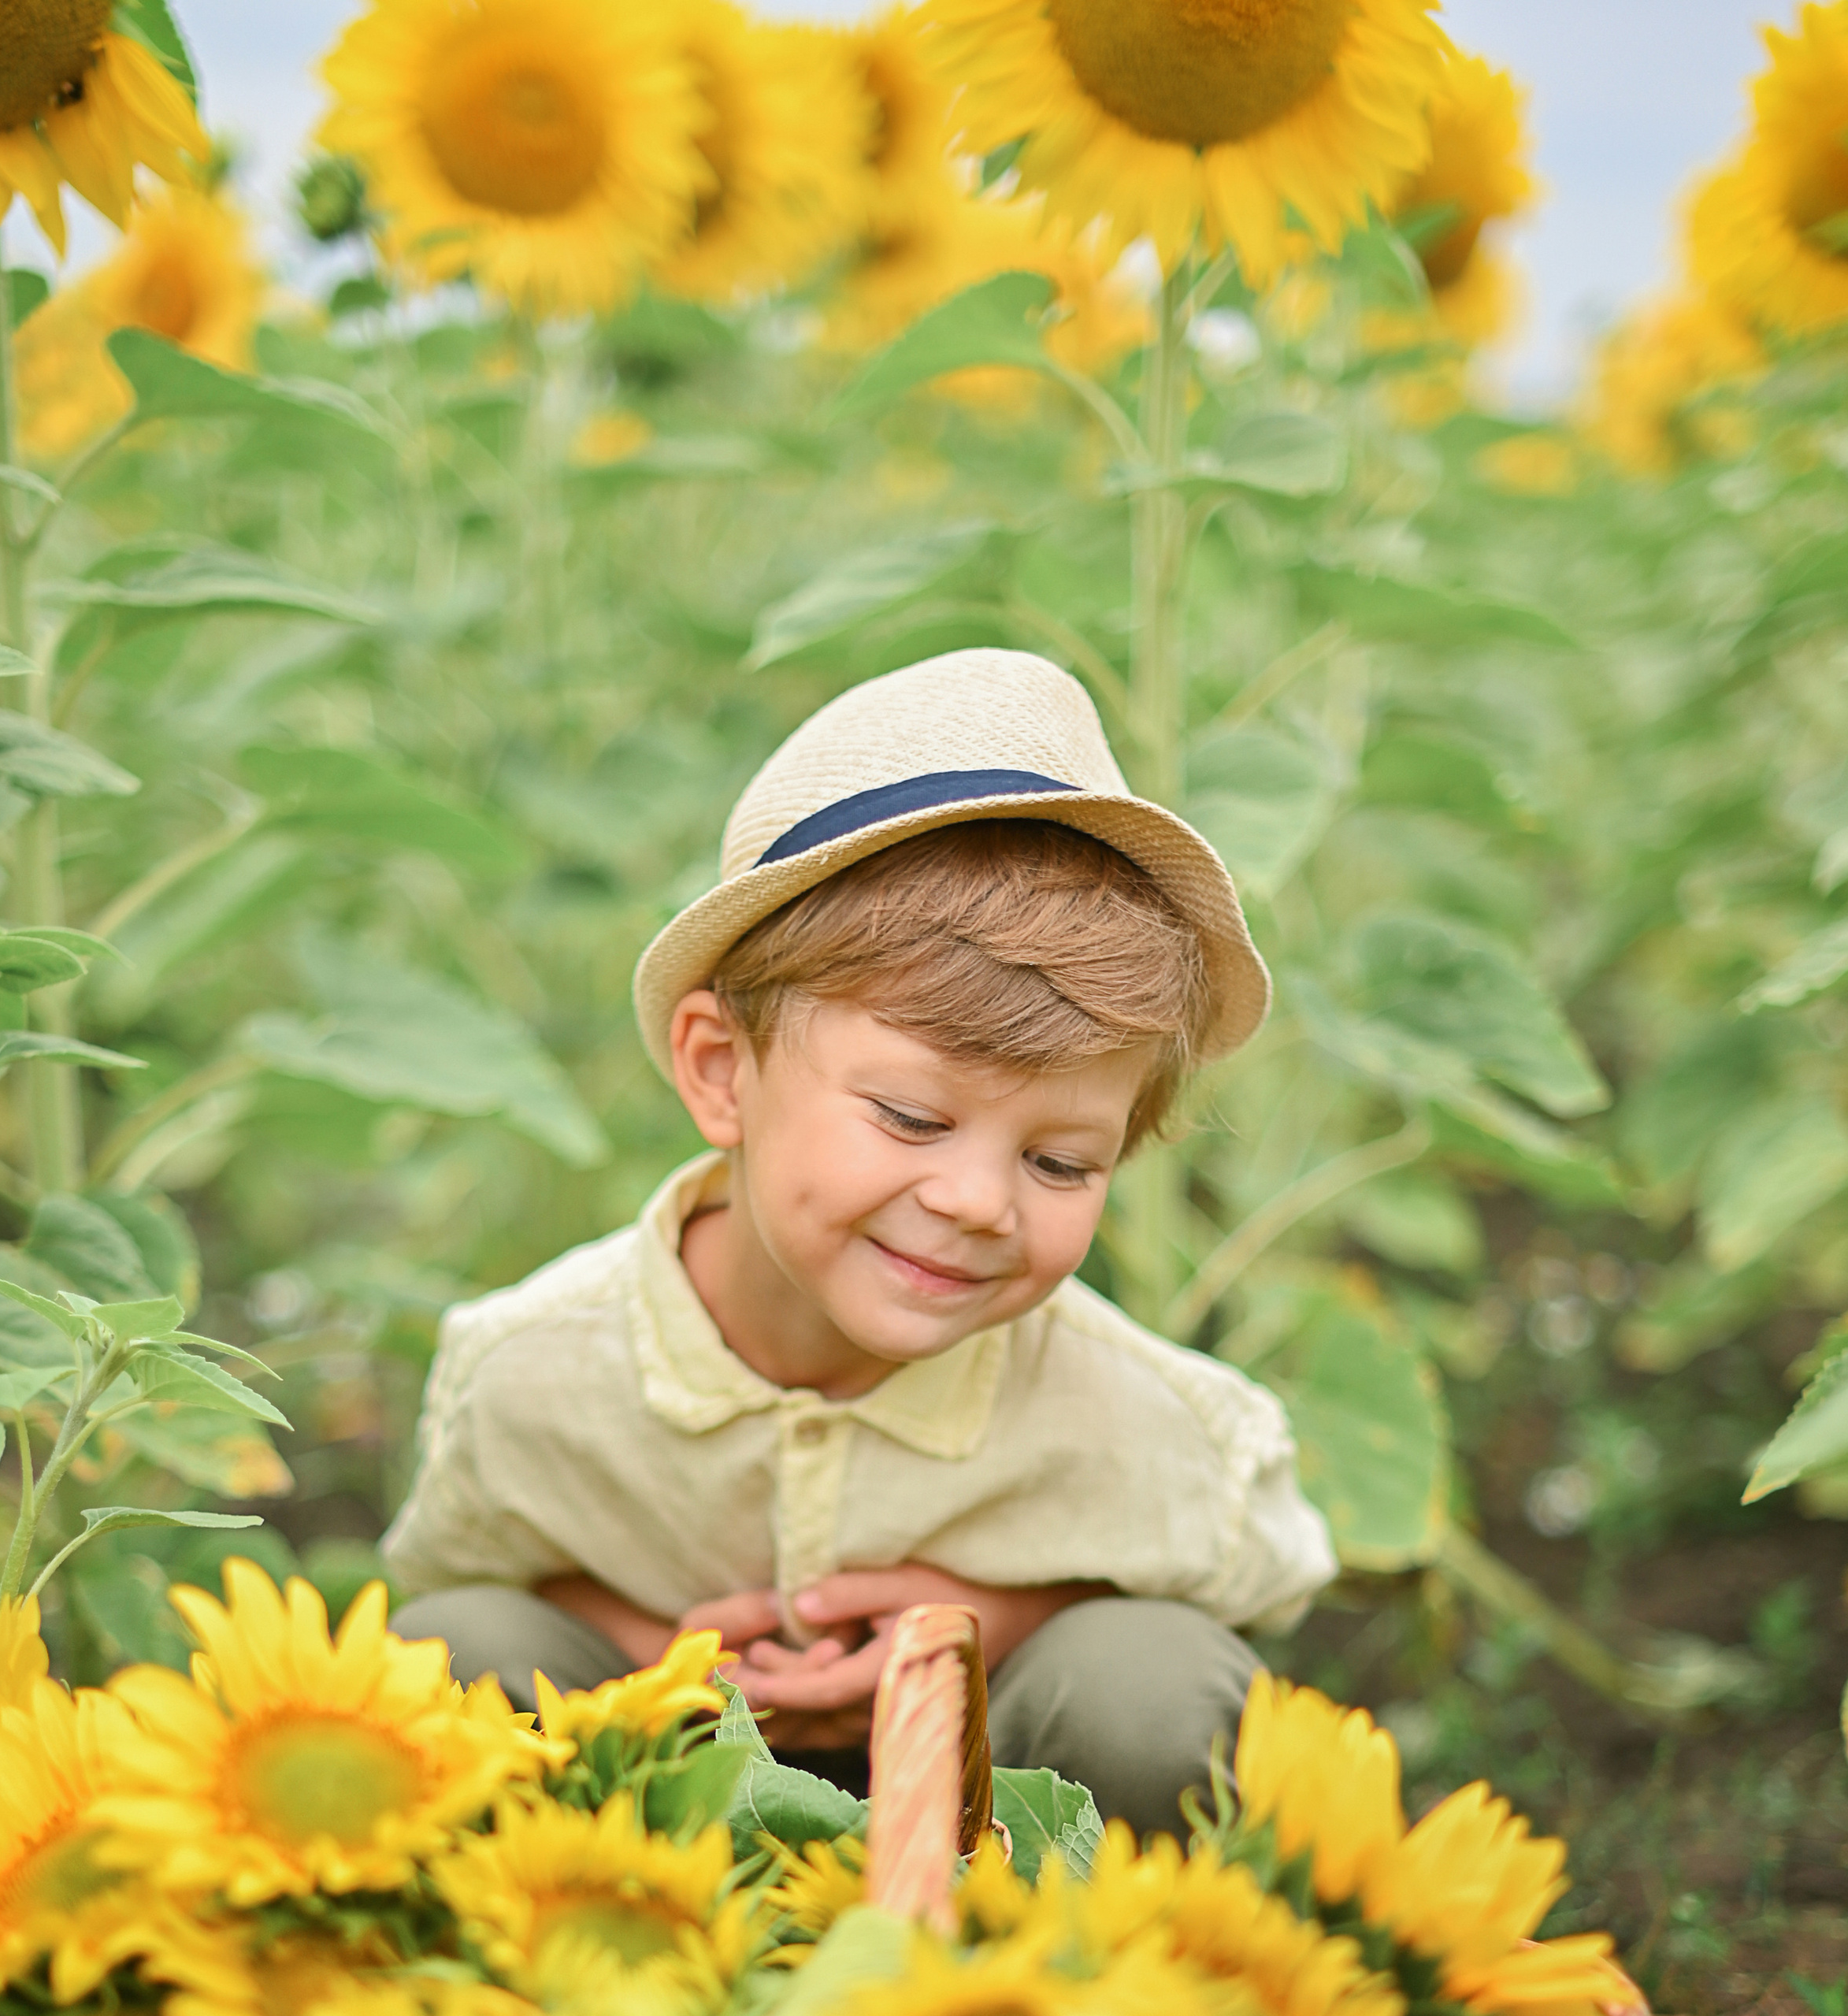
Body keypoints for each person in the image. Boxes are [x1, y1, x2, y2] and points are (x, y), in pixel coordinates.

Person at [383, 646, 1334, 1839]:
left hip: (999, 1824)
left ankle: (1098, 1995)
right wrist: (663, 1658)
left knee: (1151, 1683)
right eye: (913, 1118)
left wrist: (989, 1621)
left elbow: (1265, 1580)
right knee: (454, 1658)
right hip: (646, 1836)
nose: (981, 1202)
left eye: (1058, 1163)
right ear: (722, 1071)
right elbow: (480, 1576)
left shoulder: (1145, 1419)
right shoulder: (534, 1369)